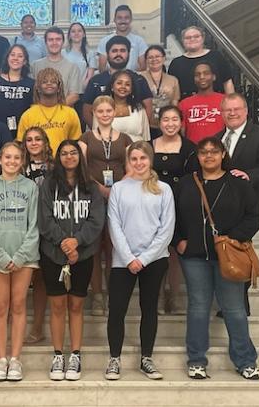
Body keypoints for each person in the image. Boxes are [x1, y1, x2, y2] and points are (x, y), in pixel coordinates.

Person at [173, 137, 259, 380]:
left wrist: (233, 238)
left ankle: (245, 361)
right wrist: (179, 241)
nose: (209, 156)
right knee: (199, 308)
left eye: (214, 151)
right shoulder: (185, 184)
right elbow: (172, 217)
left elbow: (254, 217)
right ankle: (197, 361)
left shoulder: (239, 184)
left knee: (234, 309)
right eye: (204, 153)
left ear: (223, 154)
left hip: (230, 256)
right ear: (198, 157)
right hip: (193, 257)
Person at [105, 141, 175, 381]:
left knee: (149, 309)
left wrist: (144, 259)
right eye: (133, 159)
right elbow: (114, 226)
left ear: (150, 160)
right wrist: (129, 258)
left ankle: (147, 358)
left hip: (154, 260)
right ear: (128, 162)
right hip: (123, 260)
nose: (138, 163)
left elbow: (166, 229)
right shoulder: (119, 189)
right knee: (117, 310)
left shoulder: (164, 189)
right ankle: (114, 358)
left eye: (142, 158)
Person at [38, 140, 105, 381]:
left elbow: (97, 220)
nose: (69, 157)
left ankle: (75, 354)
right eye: (64, 153)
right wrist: (63, 243)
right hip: (53, 254)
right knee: (56, 306)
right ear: (58, 158)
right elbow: (44, 219)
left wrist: (76, 242)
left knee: (76, 306)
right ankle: (58, 355)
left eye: (73, 153)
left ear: (80, 157)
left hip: (83, 254)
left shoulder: (91, 187)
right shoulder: (48, 185)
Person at [0, 142, 40, 381]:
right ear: (0, 160)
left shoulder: (31, 187)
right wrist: (1, 256)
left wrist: (21, 256)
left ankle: (15, 359)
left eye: (17, 158)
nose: (12, 161)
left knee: (19, 305)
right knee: (0, 306)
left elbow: (34, 225)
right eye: (8, 157)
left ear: (22, 161)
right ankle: (1, 358)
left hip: (24, 256)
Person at [217, 93, 259, 315]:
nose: (232, 113)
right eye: (227, 110)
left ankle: (239, 304)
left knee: (239, 252)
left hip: (247, 206)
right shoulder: (217, 138)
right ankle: (230, 304)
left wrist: (248, 175)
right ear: (222, 113)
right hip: (220, 206)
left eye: (236, 109)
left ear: (246, 111)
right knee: (224, 254)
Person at [78, 96, 132, 316]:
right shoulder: (86, 137)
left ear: (114, 112)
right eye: (100, 111)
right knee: (94, 248)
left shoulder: (125, 138)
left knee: (113, 247)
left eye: (108, 110)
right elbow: (81, 167)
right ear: (94, 114)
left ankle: (112, 293)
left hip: (119, 198)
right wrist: (99, 187)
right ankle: (97, 295)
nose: (105, 114)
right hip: (93, 197)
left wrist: (117, 189)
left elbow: (131, 167)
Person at [150, 105, 198, 314]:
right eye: (165, 120)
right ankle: (158, 296)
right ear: (159, 123)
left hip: (180, 204)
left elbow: (194, 178)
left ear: (181, 122)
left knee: (175, 252)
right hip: (152, 205)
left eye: (174, 120)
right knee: (156, 251)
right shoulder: (149, 145)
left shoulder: (189, 148)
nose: (170, 124)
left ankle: (175, 296)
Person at [22, 127, 53, 345]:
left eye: (38, 139)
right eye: (29, 140)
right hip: (21, 228)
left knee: (42, 280)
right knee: (23, 280)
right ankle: (17, 327)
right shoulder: (18, 165)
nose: (33, 143)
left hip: (48, 228)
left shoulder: (54, 167)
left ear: (45, 142)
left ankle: (38, 326)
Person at [84, 36, 153, 127]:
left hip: (134, 134)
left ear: (128, 53)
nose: (118, 54)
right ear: (107, 54)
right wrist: (99, 133)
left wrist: (139, 129)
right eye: (114, 51)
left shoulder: (139, 80)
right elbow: (87, 111)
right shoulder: (96, 81)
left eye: (122, 51)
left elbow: (148, 108)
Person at [17, 68, 82, 155]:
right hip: (36, 164)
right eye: (44, 82)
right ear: (38, 88)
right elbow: (21, 145)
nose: (49, 83)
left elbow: (75, 143)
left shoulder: (70, 113)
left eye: (53, 81)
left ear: (59, 88)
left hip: (62, 164)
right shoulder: (28, 115)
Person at [168, 26, 234, 100]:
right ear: (183, 41)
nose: (192, 39)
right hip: (187, 106)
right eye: (188, 37)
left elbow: (227, 82)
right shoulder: (176, 63)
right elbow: (172, 90)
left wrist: (231, 102)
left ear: (203, 38)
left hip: (216, 104)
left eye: (196, 36)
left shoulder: (216, 56)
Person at [0, 44, 35, 137]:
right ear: (7, 58)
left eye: (20, 56)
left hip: (23, 132)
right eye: (12, 55)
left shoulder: (31, 83)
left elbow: (32, 110)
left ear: (24, 61)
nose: (15, 58)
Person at [31, 26, 82, 107]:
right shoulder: (35, 65)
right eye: (50, 40)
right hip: (39, 114)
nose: (54, 43)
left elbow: (74, 96)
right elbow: (33, 93)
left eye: (58, 39)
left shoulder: (72, 67)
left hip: (63, 114)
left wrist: (55, 110)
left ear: (63, 42)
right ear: (45, 42)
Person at [179, 61, 225, 144]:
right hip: (193, 152)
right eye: (197, 74)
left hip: (219, 151)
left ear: (213, 77)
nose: (202, 77)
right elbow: (182, 132)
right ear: (194, 79)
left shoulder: (225, 101)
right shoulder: (184, 104)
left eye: (206, 73)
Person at [64, 22, 97, 128]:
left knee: (80, 125)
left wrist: (80, 88)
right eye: (73, 31)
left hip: (82, 93)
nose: (76, 33)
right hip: (66, 93)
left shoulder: (90, 53)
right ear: (69, 35)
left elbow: (90, 75)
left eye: (79, 31)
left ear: (84, 34)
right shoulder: (63, 53)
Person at [97, 5, 147, 72]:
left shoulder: (139, 41)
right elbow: (102, 68)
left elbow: (143, 67)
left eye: (126, 18)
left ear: (131, 20)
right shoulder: (104, 41)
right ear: (114, 20)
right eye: (119, 18)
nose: (123, 21)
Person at [139, 45, 180, 122]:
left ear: (164, 58)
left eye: (157, 56)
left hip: (166, 123)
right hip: (145, 122)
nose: (154, 59)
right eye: (150, 57)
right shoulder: (139, 78)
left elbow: (174, 103)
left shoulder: (173, 80)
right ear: (146, 60)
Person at [108, 70, 151, 141]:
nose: (123, 86)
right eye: (119, 83)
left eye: (127, 84)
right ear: (112, 87)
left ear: (131, 89)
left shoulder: (139, 109)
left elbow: (146, 137)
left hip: (137, 150)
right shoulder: (103, 108)